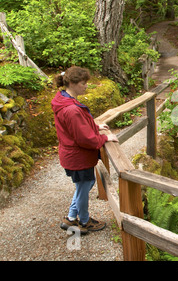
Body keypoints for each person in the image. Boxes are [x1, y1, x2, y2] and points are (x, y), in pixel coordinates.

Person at [51, 66, 118, 235]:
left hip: (73, 156)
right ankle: (85, 222)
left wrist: (95, 126)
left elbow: (77, 126)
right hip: (77, 157)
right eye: (83, 83)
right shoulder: (72, 109)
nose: (86, 86)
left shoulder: (64, 99)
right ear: (72, 84)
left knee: (83, 186)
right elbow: (84, 138)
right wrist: (104, 138)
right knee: (84, 187)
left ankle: (71, 218)